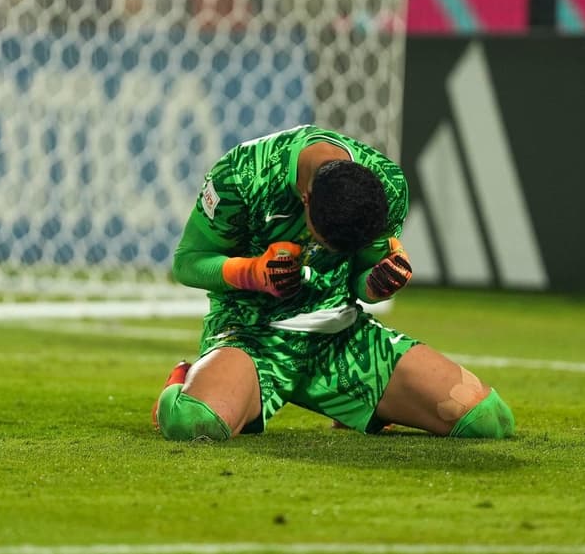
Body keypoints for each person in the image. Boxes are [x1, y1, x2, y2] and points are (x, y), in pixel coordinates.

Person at [153, 124, 515, 441]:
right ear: (306, 199)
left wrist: (375, 284)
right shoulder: (245, 173)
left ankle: (361, 402)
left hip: (340, 336)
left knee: (486, 420)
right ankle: (183, 381)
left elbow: (360, 282)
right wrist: (253, 272)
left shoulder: (387, 184)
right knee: (194, 423)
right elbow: (187, 262)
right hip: (250, 336)